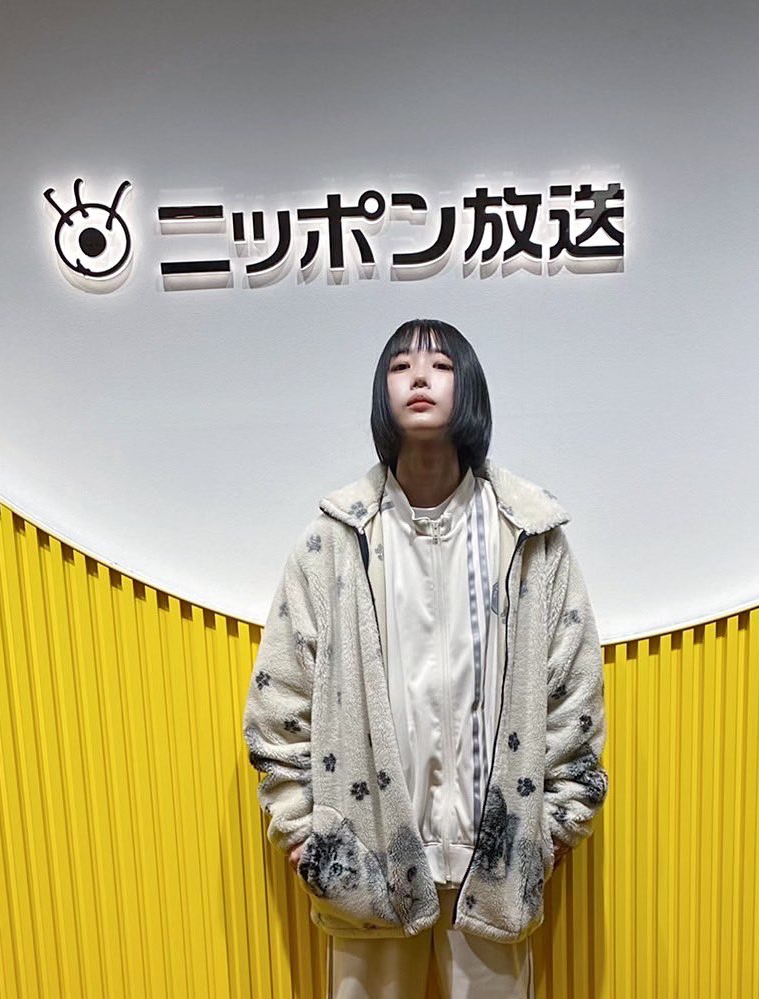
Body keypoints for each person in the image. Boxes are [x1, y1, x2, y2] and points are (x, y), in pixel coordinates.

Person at [243, 319, 609, 998]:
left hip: (495, 864)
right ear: (381, 394)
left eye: (440, 364)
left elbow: (574, 688)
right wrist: (306, 834)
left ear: (468, 388)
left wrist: (551, 829)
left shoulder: (527, 534)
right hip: (368, 863)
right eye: (399, 366)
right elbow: (281, 694)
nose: (418, 376)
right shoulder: (336, 540)